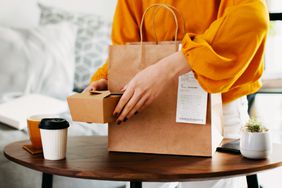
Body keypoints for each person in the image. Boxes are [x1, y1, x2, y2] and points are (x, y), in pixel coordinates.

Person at [85, 0, 269, 187]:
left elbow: (254, 18)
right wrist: (108, 78)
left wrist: (171, 66)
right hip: (150, 112)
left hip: (218, 108)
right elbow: (126, 46)